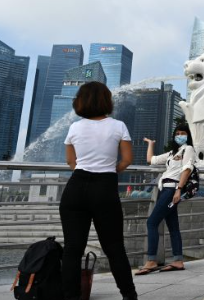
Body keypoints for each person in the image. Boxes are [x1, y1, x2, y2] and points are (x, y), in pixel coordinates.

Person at [60, 81, 138, 300]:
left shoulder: (75, 127)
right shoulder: (118, 126)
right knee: (114, 247)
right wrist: (109, 171)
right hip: (104, 187)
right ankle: (129, 295)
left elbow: (71, 162)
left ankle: (71, 297)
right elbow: (127, 160)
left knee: (72, 249)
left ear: (80, 102)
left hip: (75, 187)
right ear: (107, 101)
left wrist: (87, 171)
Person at [136, 124, 195, 275]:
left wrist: (179, 190)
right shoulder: (171, 153)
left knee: (152, 222)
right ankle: (178, 260)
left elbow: (187, 169)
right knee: (172, 225)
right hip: (164, 190)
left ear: (188, 136)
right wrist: (150, 144)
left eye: (183, 133)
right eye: (177, 133)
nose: (180, 135)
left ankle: (151, 260)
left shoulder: (188, 149)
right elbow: (151, 160)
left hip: (172, 190)